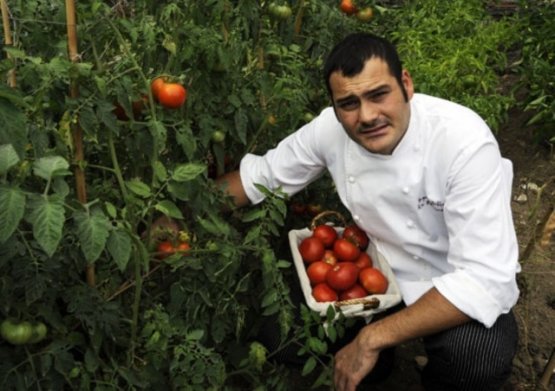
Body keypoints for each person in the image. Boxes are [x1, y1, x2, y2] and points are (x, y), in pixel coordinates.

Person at [216, 32, 520, 390]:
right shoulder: (330, 130)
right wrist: (183, 212)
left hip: (451, 284)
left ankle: (423, 369)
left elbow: (484, 279)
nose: (367, 115)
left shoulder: (462, 142)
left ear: (406, 84)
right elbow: (261, 177)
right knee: (283, 336)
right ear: (333, 106)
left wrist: (373, 337)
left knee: (475, 361)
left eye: (379, 95)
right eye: (348, 103)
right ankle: (376, 368)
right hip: (375, 273)